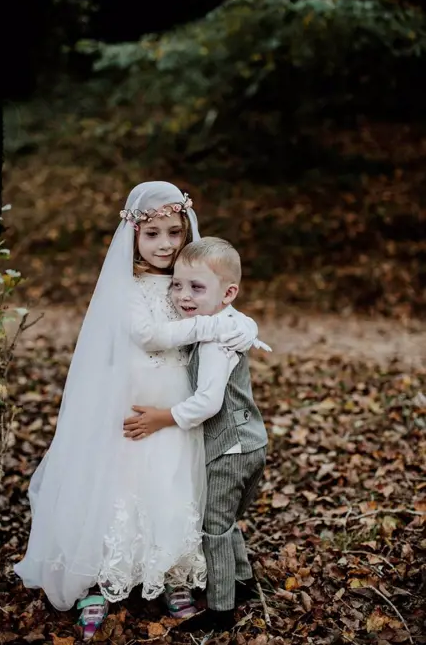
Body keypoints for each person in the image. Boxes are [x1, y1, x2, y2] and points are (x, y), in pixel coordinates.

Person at [14, 182, 263, 641]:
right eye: (153, 234)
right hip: (127, 402)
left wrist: (240, 324)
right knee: (119, 481)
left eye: (174, 231)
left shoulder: (185, 279)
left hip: (175, 404)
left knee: (171, 482)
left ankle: (168, 573)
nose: (165, 243)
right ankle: (95, 581)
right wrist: (210, 325)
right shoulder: (125, 288)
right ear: (132, 235)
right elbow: (149, 335)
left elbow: (224, 303)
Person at [124, 237, 269, 633]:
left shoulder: (214, 341)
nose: (184, 296)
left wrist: (162, 417)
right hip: (250, 441)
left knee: (214, 525)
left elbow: (207, 403)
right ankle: (243, 582)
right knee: (228, 518)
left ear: (228, 293)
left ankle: (221, 610)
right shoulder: (226, 320)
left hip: (231, 447)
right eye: (177, 285)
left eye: (196, 288)